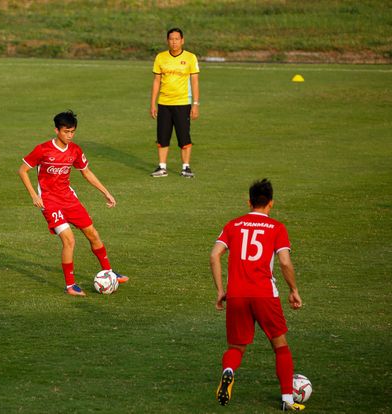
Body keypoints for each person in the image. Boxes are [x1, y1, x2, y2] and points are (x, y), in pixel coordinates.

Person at [210, 179, 305, 411]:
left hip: (237, 295)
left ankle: (228, 371)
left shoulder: (233, 225)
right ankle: (287, 400)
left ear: (249, 201)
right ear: (271, 203)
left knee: (236, 347)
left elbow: (214, 255)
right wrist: (293, 289)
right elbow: (284, 262)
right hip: (264, 295)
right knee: (280, 346)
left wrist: (222, 290)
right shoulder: (277, 228)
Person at [18, 111, 129, 296]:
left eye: (72, 132)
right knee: (69, 239)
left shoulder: (75, 150)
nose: (69, 135)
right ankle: (70, 285)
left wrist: (106, 193)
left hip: (69, 199)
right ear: (57, 130)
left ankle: (110, 272)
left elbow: (87, 172)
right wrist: (34, 195)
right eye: (66, 131)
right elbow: (22, 171)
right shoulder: (43, 149)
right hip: (50, 202)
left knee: (93, 234)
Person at [149, 27, 200, 178]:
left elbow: (195, 82)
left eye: (177, 39)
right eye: (171, 39)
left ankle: (186, 167)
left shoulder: (190, 58)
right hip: (164, 103)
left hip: (183, 103)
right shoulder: (160, 57)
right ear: (167, 41)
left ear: (182, 40)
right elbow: (156, 81)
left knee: (184, 136)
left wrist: (195, 104)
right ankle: (162, 167)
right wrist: (153, 103)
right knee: (162, 136)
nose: (174, 42)